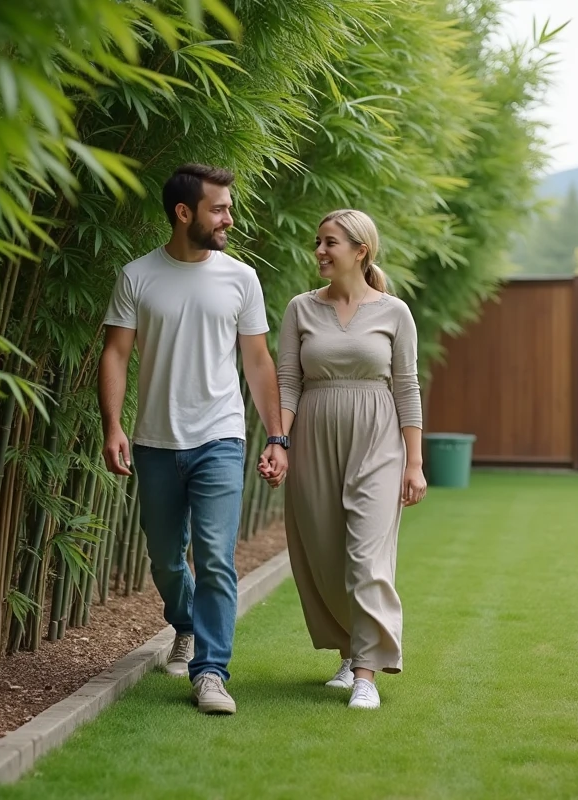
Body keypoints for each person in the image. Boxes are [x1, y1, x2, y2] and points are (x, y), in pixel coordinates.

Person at [97, 163, 288, 716]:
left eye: (229, 207)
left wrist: (277, 436)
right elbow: (116, 353)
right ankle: (185, 623)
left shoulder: (241, 278)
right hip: (155, 441)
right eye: (219, 209)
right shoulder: (138, 276)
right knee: (164, 559)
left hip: (220, 438)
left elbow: (258, 361)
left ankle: (210, 673)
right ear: (184, 213)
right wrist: (112, 425)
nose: (230, 218)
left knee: (215, 557)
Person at [270, 208, 426, 710]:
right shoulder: (300, 308)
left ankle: (366, 674)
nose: (319, 251)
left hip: (378, 439)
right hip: (313, 438)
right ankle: (349, 650)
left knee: (365, 556)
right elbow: (288, 382)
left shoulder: (395, 313)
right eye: (318, 241)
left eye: (329, 242)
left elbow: (407, 387)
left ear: (361, 251)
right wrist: (279, 441)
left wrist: (415, 462)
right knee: (326, 553)